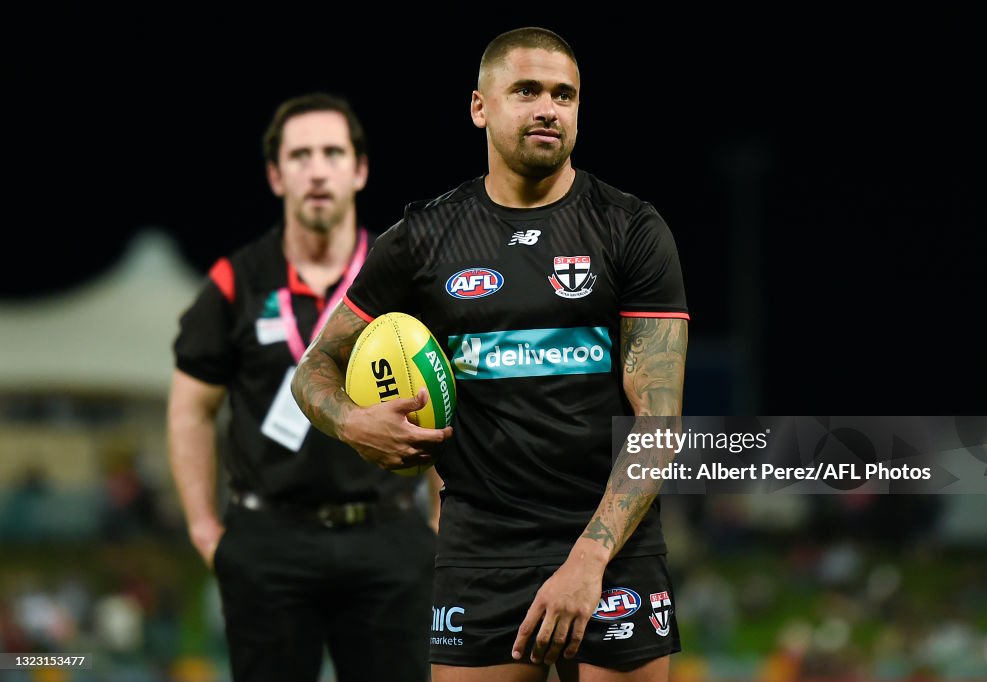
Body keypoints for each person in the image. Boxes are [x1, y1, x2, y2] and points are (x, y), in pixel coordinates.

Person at [292, 27, 689, 682]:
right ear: (480, 106)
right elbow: (316, 367)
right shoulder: (423, 239)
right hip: (483, 551)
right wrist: (352, 422)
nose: (548, 109)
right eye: (527, 90)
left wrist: (589, 560)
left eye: (565, 95)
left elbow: (659, 423)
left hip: (611, 545)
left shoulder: (630, 229)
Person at [167, 92, 437, 682]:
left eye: (333, 152)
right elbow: (190, 410)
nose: (317, 169)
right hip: (269, 544)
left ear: (359, 169)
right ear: (275, 173)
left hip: (388, 537)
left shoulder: (402, 278)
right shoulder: (233, 281)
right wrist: (205, 529)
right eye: (301, 154)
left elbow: (445, 397)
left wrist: (440, 523)